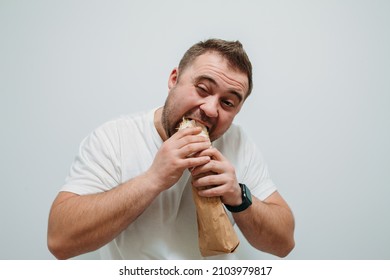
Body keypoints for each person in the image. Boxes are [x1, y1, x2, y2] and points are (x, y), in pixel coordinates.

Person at [47, 38, 295, 260]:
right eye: (203, 89)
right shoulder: (115, 138)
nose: (210, 109)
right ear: (174, 79)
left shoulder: (238, 142)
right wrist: (153, 179)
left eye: (227, 102)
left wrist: (238, 196)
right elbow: (60, 241)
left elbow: (284, 244)